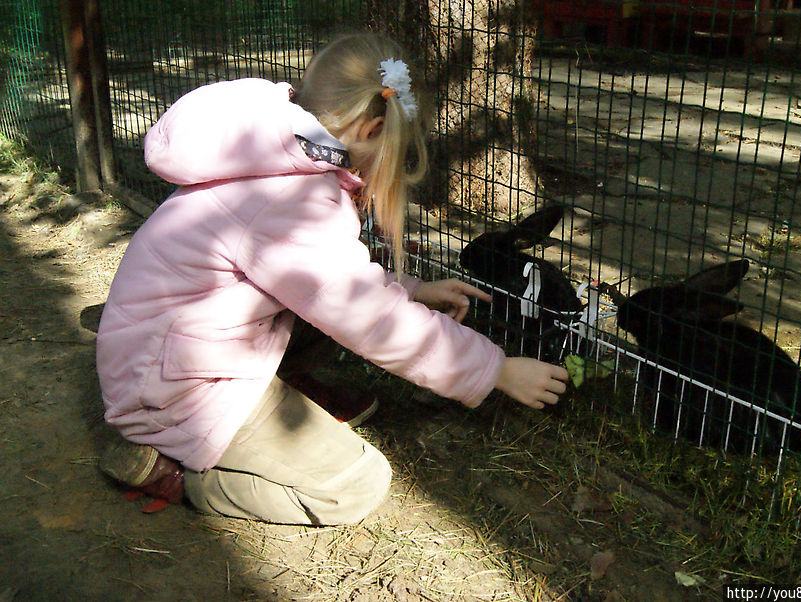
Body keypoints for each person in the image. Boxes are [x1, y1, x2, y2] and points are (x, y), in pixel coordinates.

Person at [96, 32, 569, 524]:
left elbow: (331, 279)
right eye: (397, 149)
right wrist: (496, 370)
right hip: (171, 387)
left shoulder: (274, 144)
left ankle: (280, 391)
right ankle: (178, 474)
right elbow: (364, 315)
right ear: (369, 129)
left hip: (170, 351)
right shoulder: (292, 199)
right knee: (355, 486)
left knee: (324, 313)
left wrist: (411, 290)